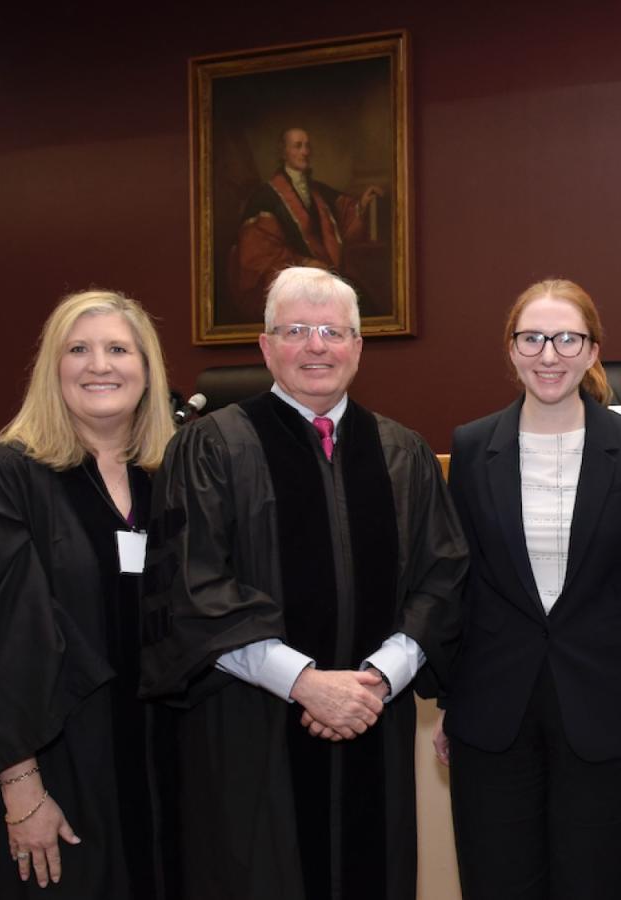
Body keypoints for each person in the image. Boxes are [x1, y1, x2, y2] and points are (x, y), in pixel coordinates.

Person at [139, 266, 467, 900]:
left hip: (376, 717)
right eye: (295, 330)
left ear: (357, 347)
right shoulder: (209, 448)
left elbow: (444, 578)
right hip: (251, 726)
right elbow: (193, 585)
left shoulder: (404, 454)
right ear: (265, 347)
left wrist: (377, 679)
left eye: (331, 331)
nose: (316, 345)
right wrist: (305, 683)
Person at [0, 289, 177, 897]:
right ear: (52, 368)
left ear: (147, 368)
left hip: (156, 760)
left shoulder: (169, 477)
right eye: (78, 350)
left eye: (119, 348)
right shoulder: (5, 476)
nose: (100, 365)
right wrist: (21, 787)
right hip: (52, 756)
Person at [437, 279, 621, 899]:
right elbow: (463, 581)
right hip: (494, 713)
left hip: (607, 714)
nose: (549, 354)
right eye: (532, 338)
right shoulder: (473, 445)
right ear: (511, 350)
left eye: (567, 339)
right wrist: (453, 699)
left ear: (592, 351)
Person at [228, 126, 384, 317]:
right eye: (298, 146)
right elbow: (258, 254)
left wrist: (362, 204)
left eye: (307, 146)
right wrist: (303, 262)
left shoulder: (317, 191)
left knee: (363, 305)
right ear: (283, 152)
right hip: (293, 283)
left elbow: (344, 212)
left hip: (328, 277)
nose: (305, 152)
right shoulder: (264, 198)